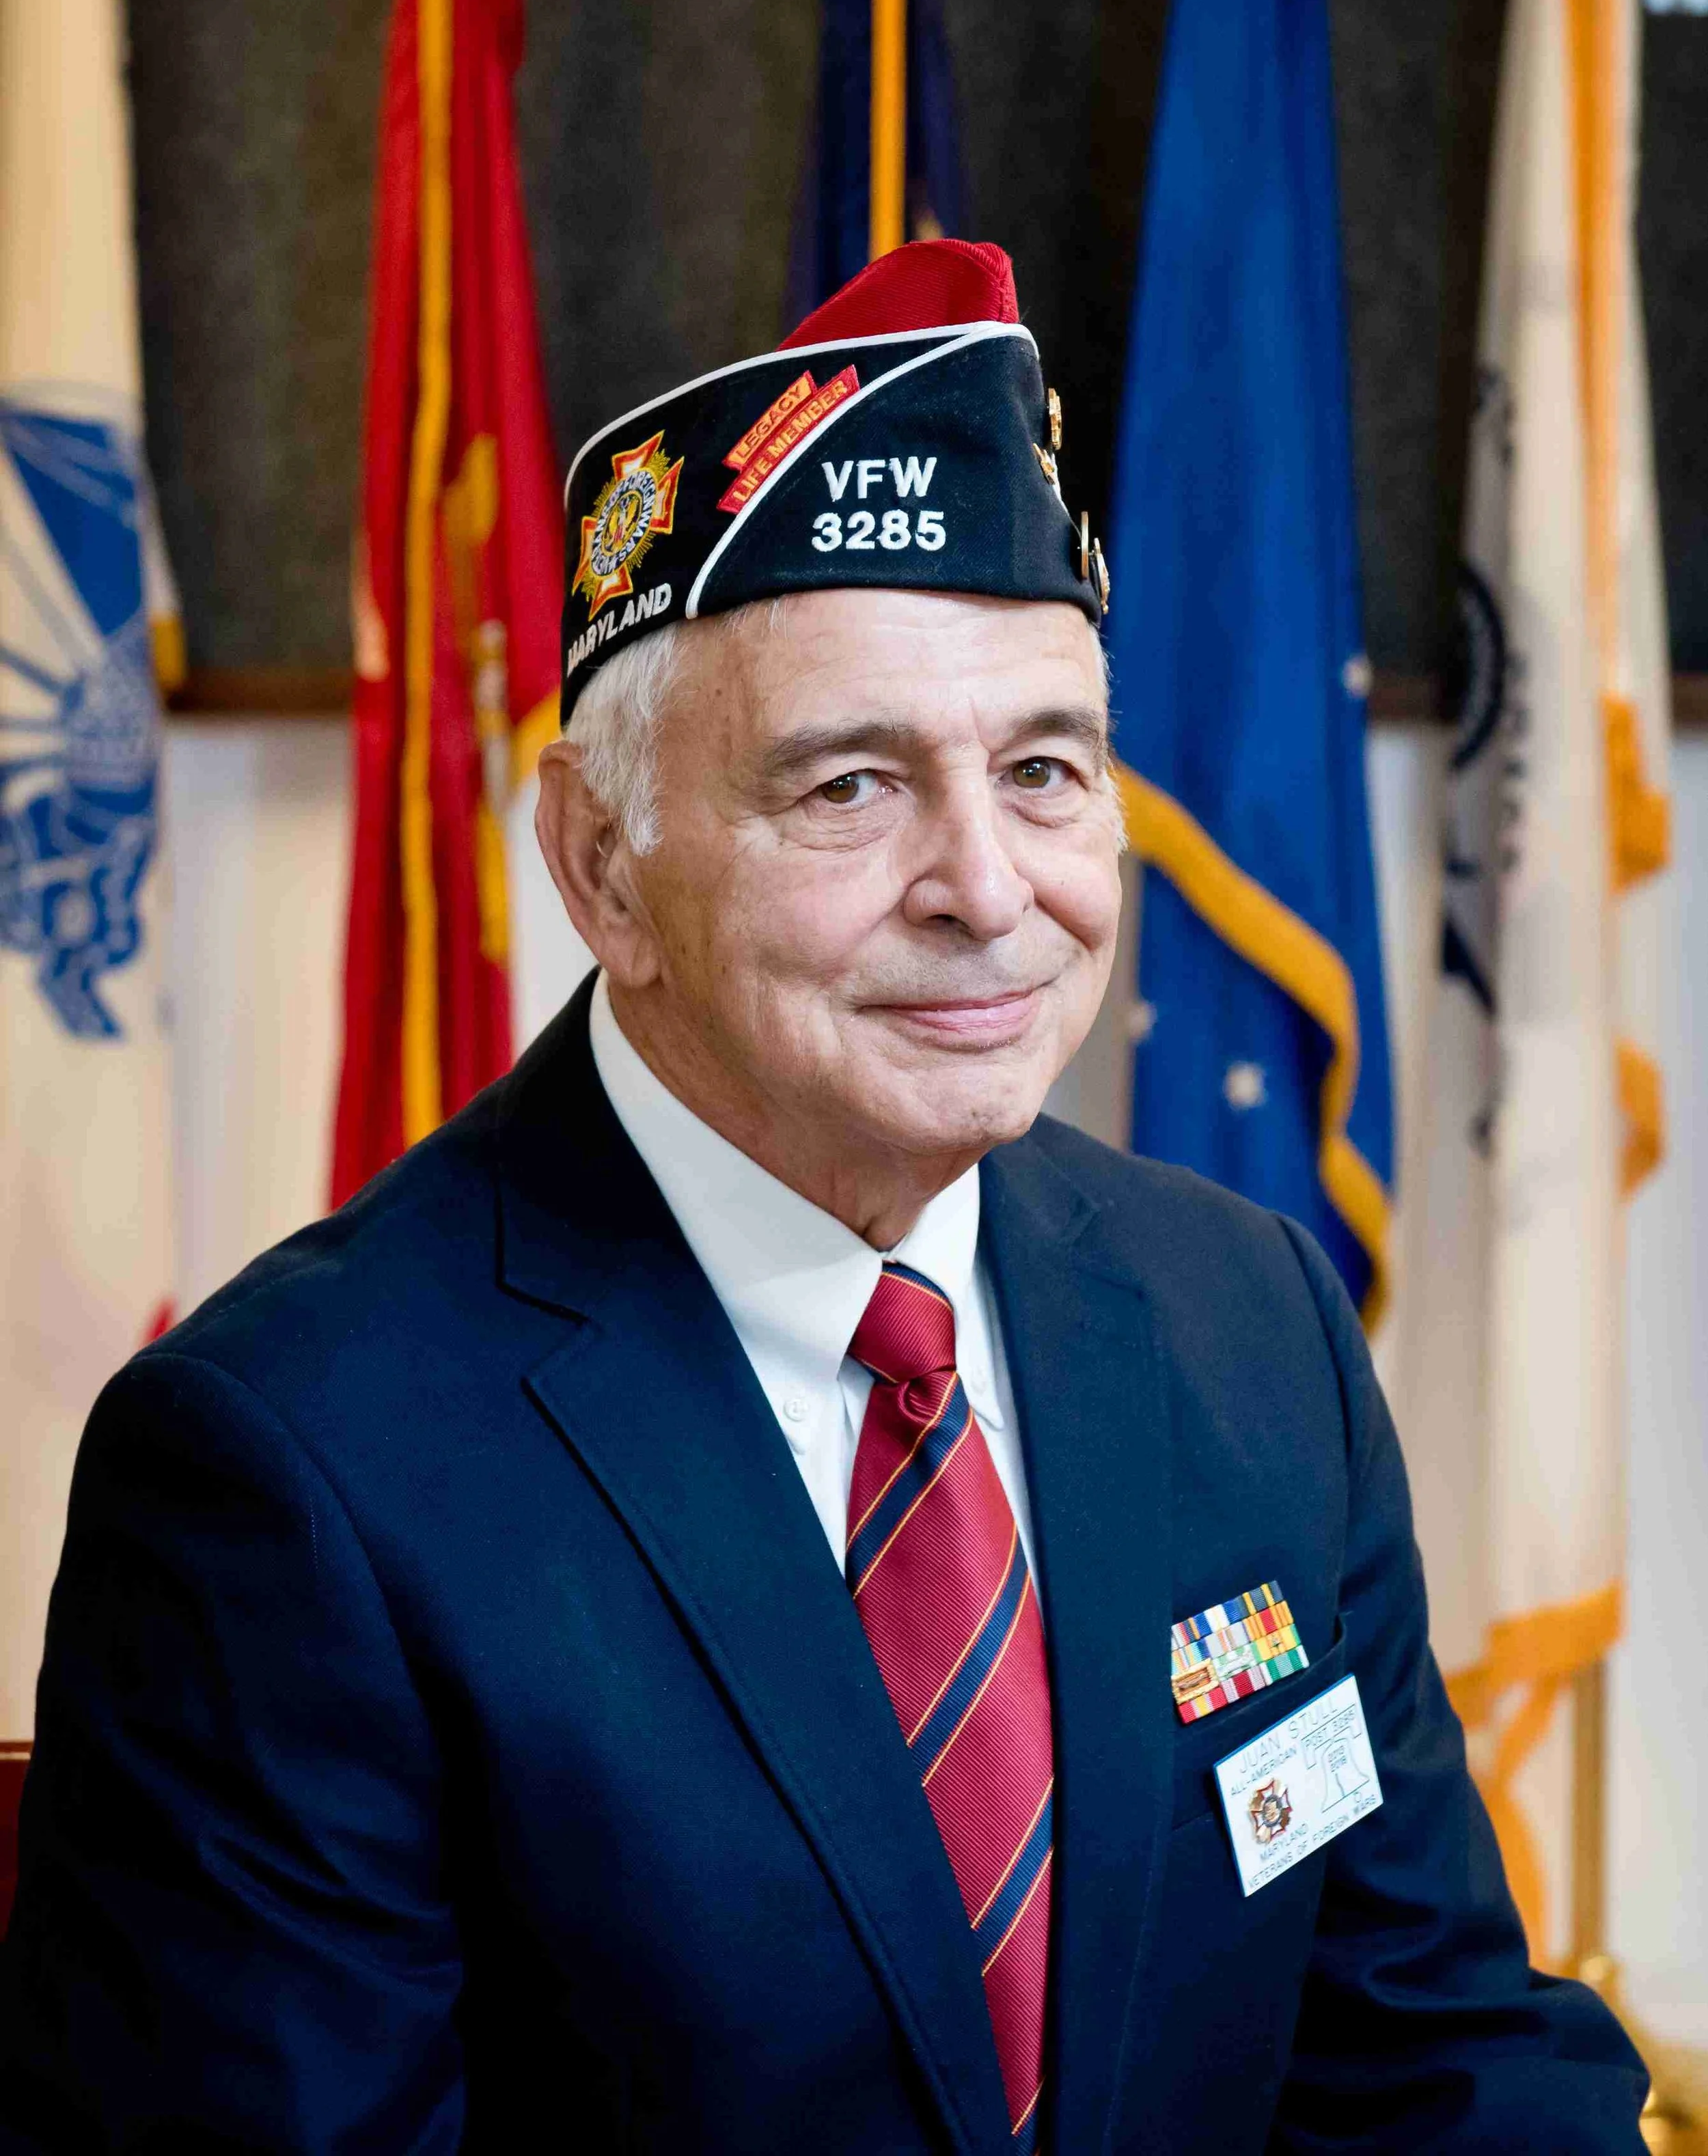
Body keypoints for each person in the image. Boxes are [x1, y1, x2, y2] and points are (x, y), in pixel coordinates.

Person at [0, 242, 1646, 2153]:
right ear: (605, 869)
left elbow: (1427, 2056)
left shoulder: (1250, 1321)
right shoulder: (291, 1473)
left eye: (1043, 769)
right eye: (848, 787)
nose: (984, 885)